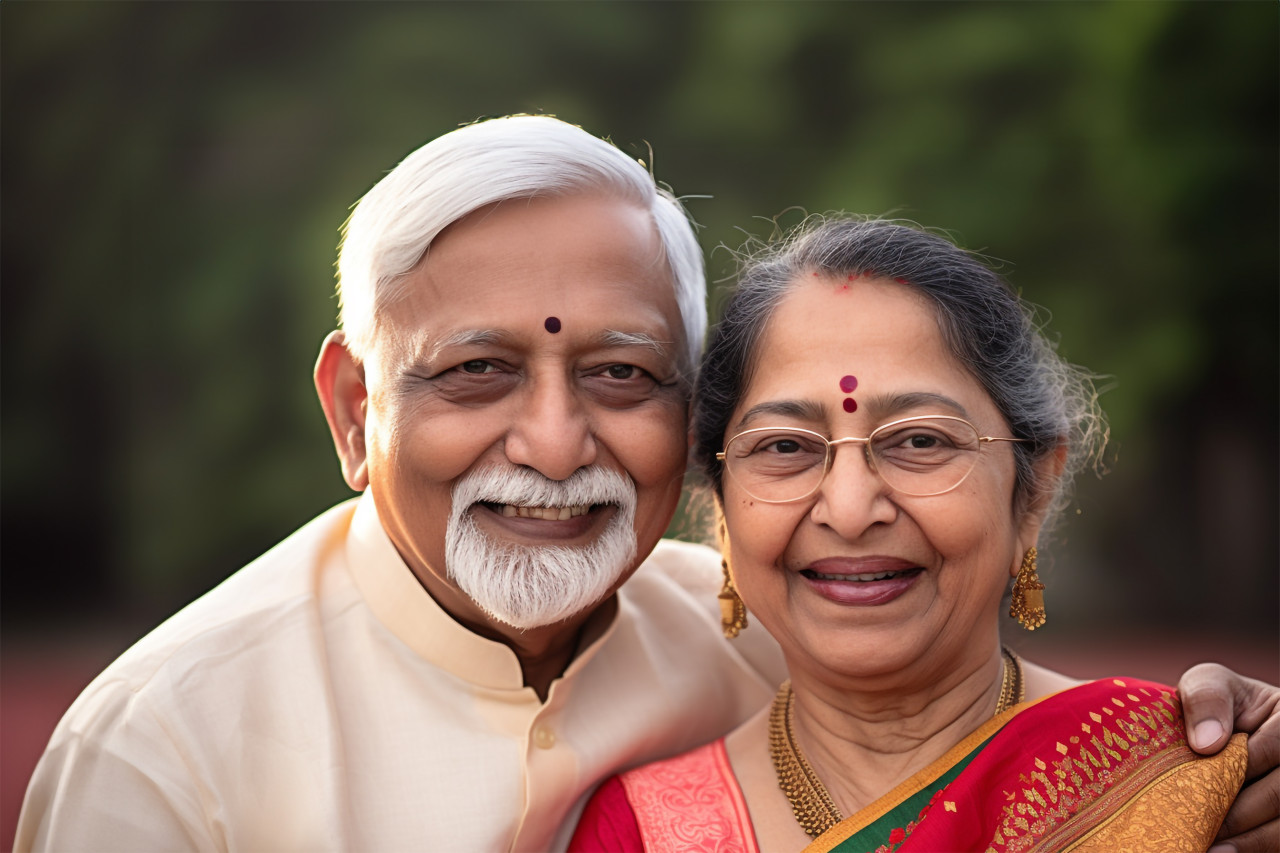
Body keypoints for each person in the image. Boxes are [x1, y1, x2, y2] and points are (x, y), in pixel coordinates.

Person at [14, 118, 1275, 852]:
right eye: (475, 372)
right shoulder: (166, 757)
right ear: (354, 410)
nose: (556, 445)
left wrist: (1211, 746)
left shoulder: (787, 622)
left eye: (619, 373)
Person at [570, 216, 1279, 853]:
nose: (849, 509)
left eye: (918, 440)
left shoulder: (1191, 781)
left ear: (1034, 487)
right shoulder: (640, 831)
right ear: (722, 506)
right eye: (785, 446)